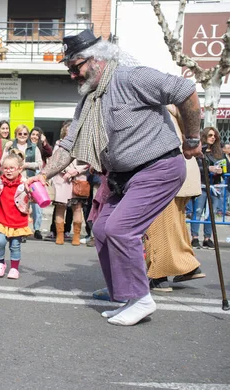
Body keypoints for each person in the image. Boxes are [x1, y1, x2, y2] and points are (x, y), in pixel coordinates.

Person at [26, 29, 201, 326]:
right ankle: (124, 294)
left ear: (97, 59)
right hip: (123, 176)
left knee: (121, 229)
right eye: (69, 68)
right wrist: (42, 175)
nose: (72, 74)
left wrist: (193, 138)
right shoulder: (88, 101)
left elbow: (185, 90)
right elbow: (69, 144)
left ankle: (142, 299)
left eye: (75, 66)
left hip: (158, 167)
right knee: (103, 228)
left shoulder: (132, 78)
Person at [144, 105, 205, 291]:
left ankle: (159, 274)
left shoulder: (156, 107)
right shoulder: (173, 106)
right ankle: (189, 266)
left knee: (157, 226)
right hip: (182, 171)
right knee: (174, 225)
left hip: (165, 172)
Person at [0, 153, 32, 279]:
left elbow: (34, 197)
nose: (8, 171)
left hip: (17, 220)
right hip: (1, 219)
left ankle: (14, 268)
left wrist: (37, 188)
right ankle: (0, 263)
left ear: (20, 169)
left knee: (15, 245)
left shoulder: (25, 183)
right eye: (5, 168)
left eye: (11, 168)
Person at [50, 122, 89, 246]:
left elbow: (88, 162)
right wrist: (66, 171)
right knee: (60, 207)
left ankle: (76, 235)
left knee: (77, 208)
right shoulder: (59, 144)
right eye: (69, 129)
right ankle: (60, 235)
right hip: (62, 179)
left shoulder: (83, 144)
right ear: (64, 131)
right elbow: (54, 161)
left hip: (78, 178)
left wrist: (76, 171)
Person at [190, 127, 224, 249]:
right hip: (202, 186)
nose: (213, 137)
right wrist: (207, 169)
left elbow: (225, 168)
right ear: (204, 136)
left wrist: (221, 171)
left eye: (214, 136)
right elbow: (194, 167)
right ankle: (194, 238)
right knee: (198, 212)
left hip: (215, 186)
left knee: (212, 213)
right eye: (210, 135)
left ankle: (207, 238)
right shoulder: (199, 152)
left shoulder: (219, 152)